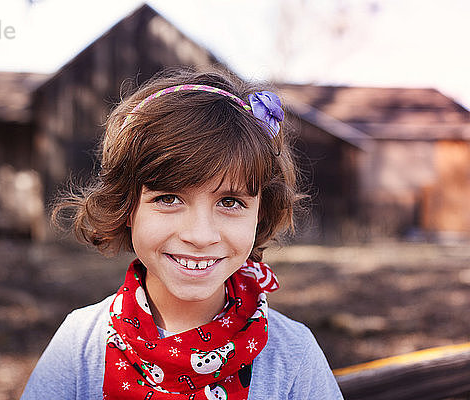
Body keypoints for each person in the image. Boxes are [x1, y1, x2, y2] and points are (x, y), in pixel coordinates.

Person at [20, 66, 344, 399]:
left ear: (261, 213)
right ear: (127, 207)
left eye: (230, 202)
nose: (200, 235)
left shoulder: (292, 356)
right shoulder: (80, 345)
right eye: (169, 198)